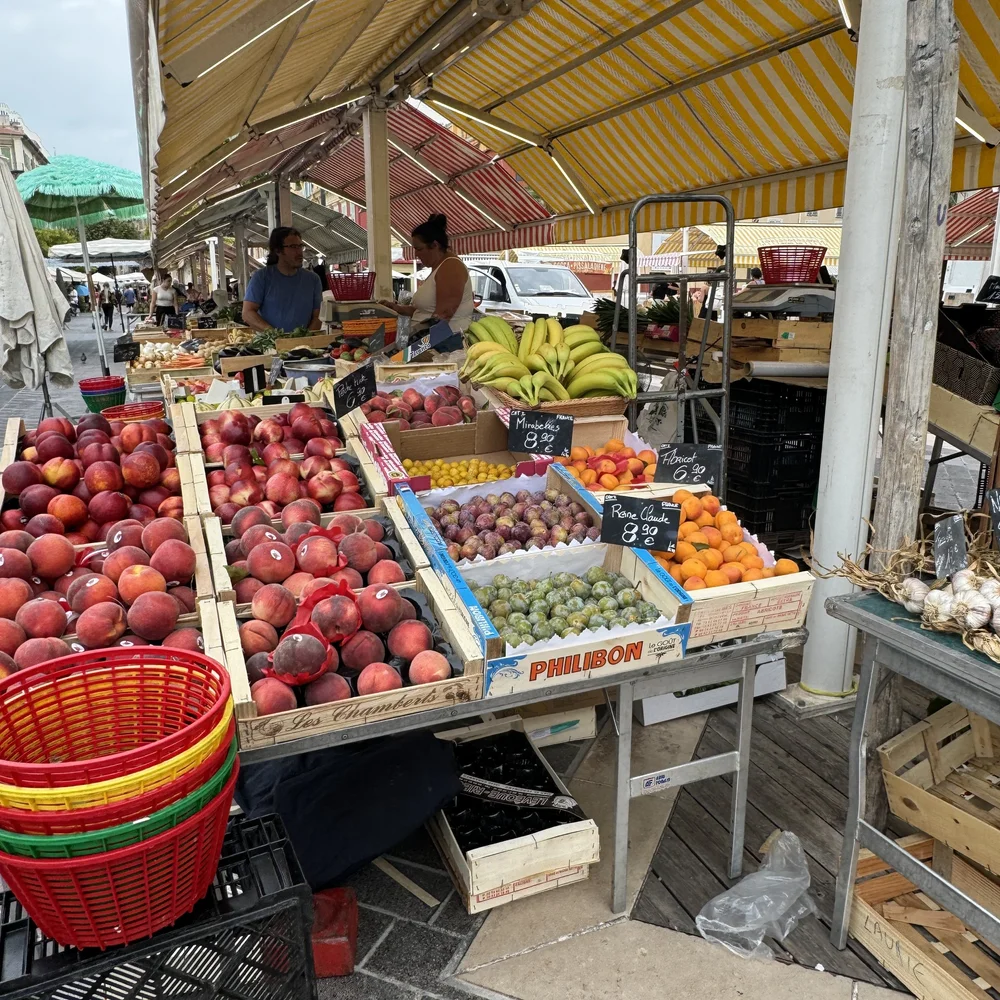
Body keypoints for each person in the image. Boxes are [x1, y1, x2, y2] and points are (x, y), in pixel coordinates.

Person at [378, 214, 473, 352]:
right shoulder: (438, 267)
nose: (416, 254)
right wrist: (397, 308)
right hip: (430, 342)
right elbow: (424, 311)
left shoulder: (450, 267)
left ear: (434, 245)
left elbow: (442, 316)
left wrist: (411, 349)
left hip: (444, 346)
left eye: (419, 249)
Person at [242, 227, 323, 333]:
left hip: (304, 346)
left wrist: (304, 339)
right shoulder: (261, 278)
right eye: (293, 247)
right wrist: (274, 334)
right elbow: (247, 313)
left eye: (300, 246)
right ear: (278, 250)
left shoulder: (313, 279)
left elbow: (318, 317)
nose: (299, 252)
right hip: (270, 345)